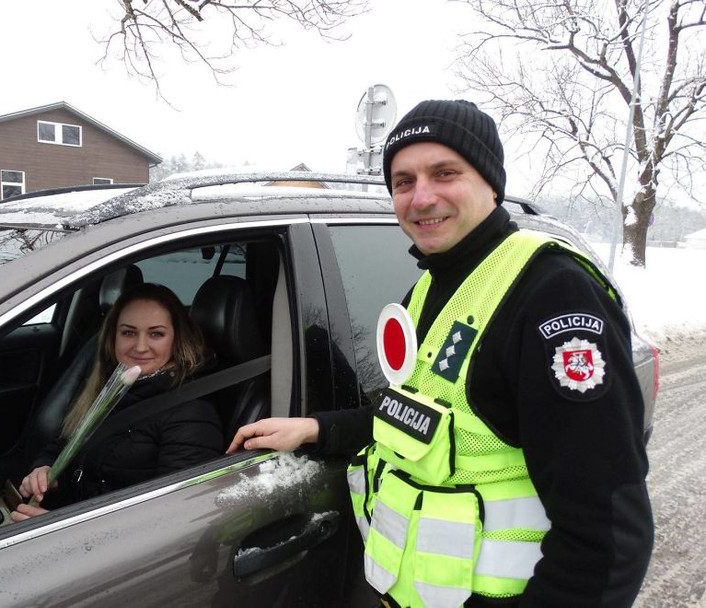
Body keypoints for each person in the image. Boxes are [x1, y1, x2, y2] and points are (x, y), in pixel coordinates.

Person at [228, 100, 653, 607]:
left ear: (491, 183)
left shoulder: (552, 295)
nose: (421, 197)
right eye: (403, 181)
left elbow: (608, 540)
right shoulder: (433, 287)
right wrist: (319, 429)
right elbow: (424, 423)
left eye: (445, 173)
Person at [11, 282, 224, 521]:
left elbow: (173, 518)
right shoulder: (109, 385)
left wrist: (56, 529)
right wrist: (46, 471)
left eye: (156, 334)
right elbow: (64, 445)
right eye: (128, 333)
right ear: (113, 337)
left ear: (176, 339)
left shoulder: (191, 413)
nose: (140, 347)